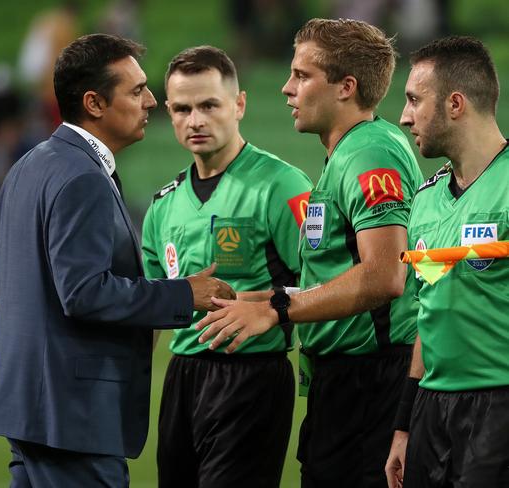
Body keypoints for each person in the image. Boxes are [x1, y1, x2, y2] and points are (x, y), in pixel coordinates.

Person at [0, 34, 235, 487]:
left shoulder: (28, 166)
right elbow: (84, 292)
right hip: (74, 418)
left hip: (27, 410)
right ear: (95, 103)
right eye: (136, 91)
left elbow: (1, 288)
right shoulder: (83, 178)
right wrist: (184, 294)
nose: (152, 101)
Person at [196, 18, 424, 487]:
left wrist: (279, 309)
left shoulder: (370, 155)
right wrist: (261, 299)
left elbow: (384, 276)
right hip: (346, 382)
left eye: (302, 76)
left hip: (371, 381)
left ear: (346, 87)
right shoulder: (346, 153)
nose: (286, 88)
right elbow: (345, 271)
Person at [142, 45, 313, 488]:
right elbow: (150, 303)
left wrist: (258, 305)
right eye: (182, 108)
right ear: (169, 112)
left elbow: (321, 282)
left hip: (252, 378)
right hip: (182, 376)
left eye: (208, 105)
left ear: (239, 105)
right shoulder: (163, 206)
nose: (195, 120)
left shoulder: (282, 185)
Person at [385, 36, 509, 488]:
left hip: (498, 408)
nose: (403, 117)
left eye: (415, 100)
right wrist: (404, 424)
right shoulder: (425, 200)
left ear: (455, 103)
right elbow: (428, 315)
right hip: (431, 411)